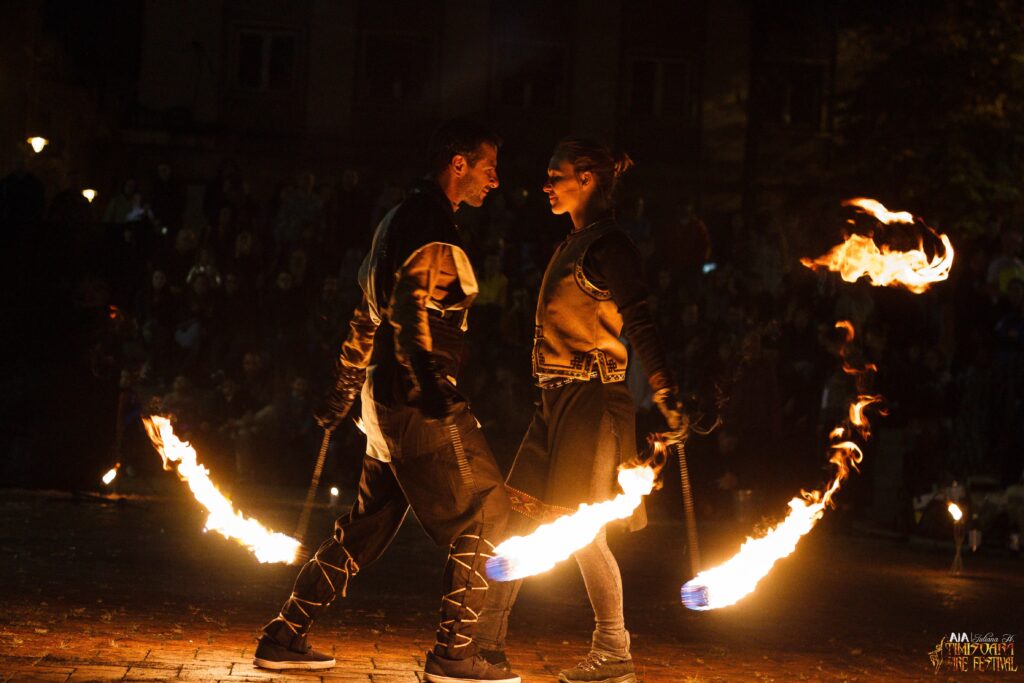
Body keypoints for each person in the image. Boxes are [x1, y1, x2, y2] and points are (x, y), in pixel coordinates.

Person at [253, 120, 520, 683]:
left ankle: (284, 635)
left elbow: (365, 314)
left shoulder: (397, 220)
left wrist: (345, 388)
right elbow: (402, 307)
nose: (495, 179)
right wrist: (428, 382)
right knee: (488, 511)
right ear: (458, 164)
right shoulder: (432, 228)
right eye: (487, 165)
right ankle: (454, 655)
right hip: (416, 399)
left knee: (367, 527)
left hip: (382, 399)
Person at [474, 138, 687, 683]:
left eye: (556, 174)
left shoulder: (610, 246)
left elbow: (640, 317)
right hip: (556, 402)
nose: (545, 183)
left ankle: (614, 652)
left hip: (594, 403)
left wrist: (662, 384)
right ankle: (485, 648)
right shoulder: (580, 241)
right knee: (517, 514)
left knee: (583, 530)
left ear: (587, 178)